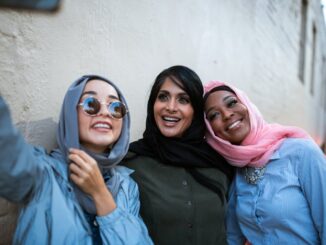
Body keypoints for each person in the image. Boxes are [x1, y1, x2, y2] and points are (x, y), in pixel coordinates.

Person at [0, 75, 153, 244]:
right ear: (71, 114)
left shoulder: (126, 186)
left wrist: (100, 194)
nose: (104, 112)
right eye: (91, 104)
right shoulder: (43, 175)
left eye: (115, 107)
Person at [203, 80, 326, 244]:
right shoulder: (237, 167)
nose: (226, 114)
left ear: (247, 104)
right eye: (214, 115)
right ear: (212, 132)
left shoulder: (302, 153)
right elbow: (232, 236)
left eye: (232, 103)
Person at [122, 66, 234, 245]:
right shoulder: (130, 162)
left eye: (183, 99)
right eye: (163, 97)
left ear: (196, 110)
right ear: (153, 104)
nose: (171, 107)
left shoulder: (218, 163)